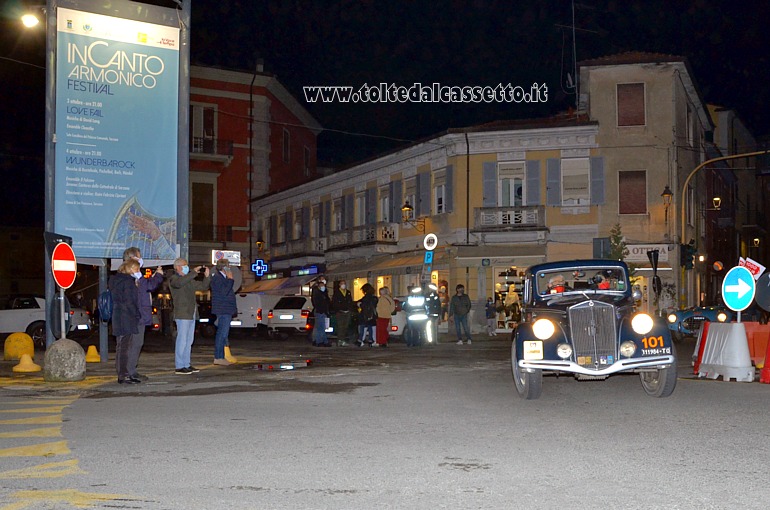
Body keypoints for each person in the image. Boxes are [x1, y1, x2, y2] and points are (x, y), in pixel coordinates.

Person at [122, 247, 164, 381]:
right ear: (133, 258)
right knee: (134, 343)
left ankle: (131, 370)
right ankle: (129, 371)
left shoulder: (135, 276)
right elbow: (149, 286)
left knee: (136, 343)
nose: (141, 260)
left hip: (138, 314)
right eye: (139, 257)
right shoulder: (131, 277)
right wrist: (158, 275)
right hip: (136, 315)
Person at [168, 258, 210, 374]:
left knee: (189, 340)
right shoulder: (174, 279)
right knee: (182, 340)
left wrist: (207, 276)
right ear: (178, 267)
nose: (186, 267)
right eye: (184, 265)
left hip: (191, 313)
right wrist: (193, 273)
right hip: (182, 313)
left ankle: (186, 364)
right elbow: (180, 283)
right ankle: (179, 365)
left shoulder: (188, 280)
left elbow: (203, 287)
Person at [108, 259, 142, 384]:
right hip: (126, 317)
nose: (138, 272)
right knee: (125, 347)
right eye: (137, 269)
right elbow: (130, 301)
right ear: (131, 268)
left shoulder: (116, 280)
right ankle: (124, 374)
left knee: (121, 346)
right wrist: (136, 314)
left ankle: (123, 373)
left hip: (119, 316)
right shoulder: (128, 282)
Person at [210, 258, 237, 365]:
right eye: (228, 266)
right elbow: (224, 292)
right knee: (222, 333)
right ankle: (218, 357)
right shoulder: (218, 278)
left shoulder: (222, 278)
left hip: (226, 309)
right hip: (223, 309)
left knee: (223, 333)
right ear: (224, 267)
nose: (230, 268)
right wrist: (230, 280)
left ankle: (221, 357)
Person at [331, 279, 354, 346]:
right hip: (340, 312)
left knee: (345, 326)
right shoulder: (337, 293)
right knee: (340, 326)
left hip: (347, 312)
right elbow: (334, 303)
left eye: (344, 283)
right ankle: (340, 340)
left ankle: (343, 339)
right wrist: (338, 309)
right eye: (342, 284)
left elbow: (350, 301)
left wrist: (349, 309)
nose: (343, 285)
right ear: (339, 285)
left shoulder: (348, 292)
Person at [311, 276, 331, 347]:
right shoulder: (317, 291)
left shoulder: (324, 292)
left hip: (322, 311)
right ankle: (322, 341)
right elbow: (316, 302)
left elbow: (327, 301)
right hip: (320, 311)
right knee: (321, 327)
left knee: (319, 327)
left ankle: (317, 340)